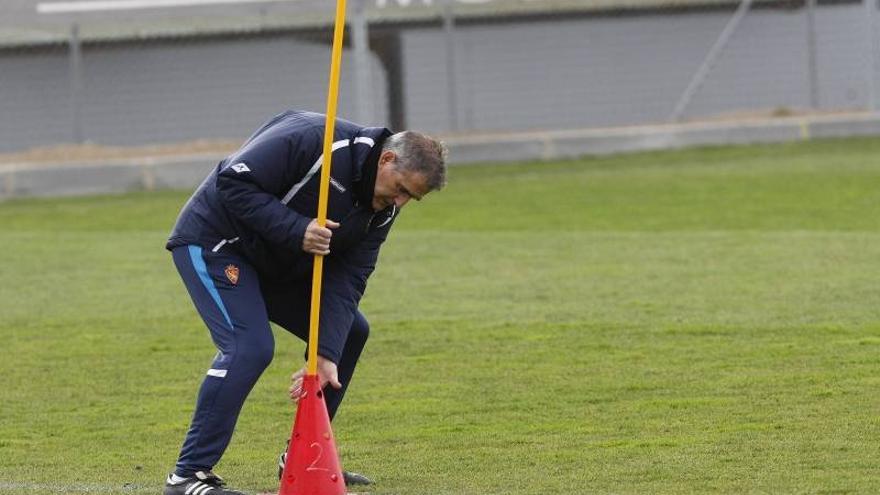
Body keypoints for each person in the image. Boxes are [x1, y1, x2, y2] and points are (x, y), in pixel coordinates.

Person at [161, 110, 447, 495]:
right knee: (251, 346)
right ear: (386, 159)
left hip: (273, 263)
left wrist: (326, 353)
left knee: (347, 334)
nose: (399, 202)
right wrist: (298, 229)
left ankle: (302, 458)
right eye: (399, 188)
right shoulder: (312, 138)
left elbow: (348, 279)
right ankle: (187, 475)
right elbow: (233, 182)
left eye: (410, 198)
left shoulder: (383, 210)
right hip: (216, 243)